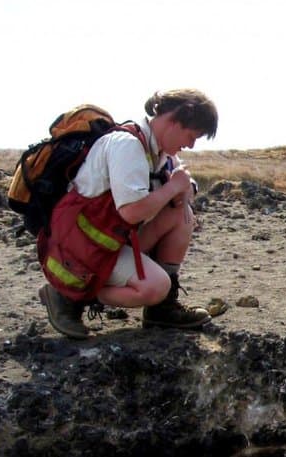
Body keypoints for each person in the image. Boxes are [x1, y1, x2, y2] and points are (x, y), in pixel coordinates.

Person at [37, 89, 219, 338]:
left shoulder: (157, 149)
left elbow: (184, 181)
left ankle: (161, 311)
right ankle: (68, 295)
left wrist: (184, 189)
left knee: (181, 214)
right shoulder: (128, 146)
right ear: (175, 120)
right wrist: (174, 188)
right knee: (156, 287)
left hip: (109, 241)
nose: (190, 145)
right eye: (191, 135)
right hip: (83, 250)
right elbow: (131, 213)